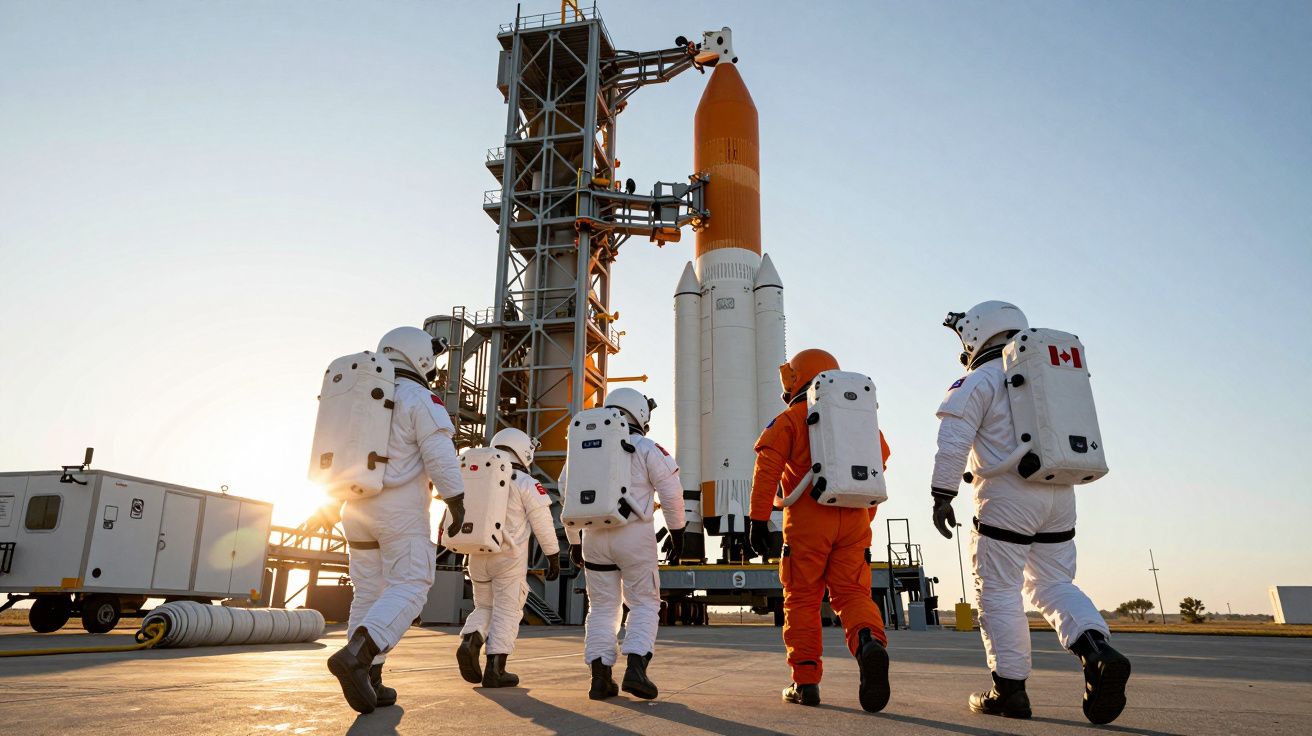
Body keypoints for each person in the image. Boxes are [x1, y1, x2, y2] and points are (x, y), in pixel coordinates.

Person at [932, 301, 1130, 724]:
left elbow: (953, 440)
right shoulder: (1045, 373)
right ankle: (1098, 651)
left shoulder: (980, 378)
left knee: (1000, 590)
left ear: (978, 333)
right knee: (1054, 583)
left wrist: (941, 494)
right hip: (1060, 493)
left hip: (1007, 497)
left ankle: (1010, 691)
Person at [327, 326, 466, 714]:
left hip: (353, 508)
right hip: (398, 512)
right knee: (412, 584)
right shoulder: (419, 397)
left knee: (370, 592)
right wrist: (457, 503)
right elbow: (439, 454)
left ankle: (371, 677)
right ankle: (358, 656)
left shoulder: (358, 395)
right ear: (421, 358)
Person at [747, 349, 892, 712]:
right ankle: (868, 641)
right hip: (855, 519)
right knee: (853, 595)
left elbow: (767, 468)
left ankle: (805, 682)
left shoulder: (792, 419)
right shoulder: (860, 423)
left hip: (808, 522)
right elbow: (880, 463)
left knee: (803, 599)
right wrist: (864, 521)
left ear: (798, 379)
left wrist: (758, 519)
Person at [564, 388, 686, 701]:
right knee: (644, 602)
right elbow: (671, 492)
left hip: (593, 537)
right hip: (634, 537)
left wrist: (574, 541)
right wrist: (678, 532)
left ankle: (600, 678)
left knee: (603, 608)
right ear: (639, 414)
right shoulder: (645, 447)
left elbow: (567, 493)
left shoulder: (580, 450)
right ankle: (636, 669)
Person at [455, 428, 561, 688]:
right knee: (508, 610)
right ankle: (495, 669)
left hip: (477, 554)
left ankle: (470, 639)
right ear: (522, 450)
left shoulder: (475, 474)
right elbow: (543, 523)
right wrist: (553, 556)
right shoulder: (524, 481)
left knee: (484, 608)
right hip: (508, 558)